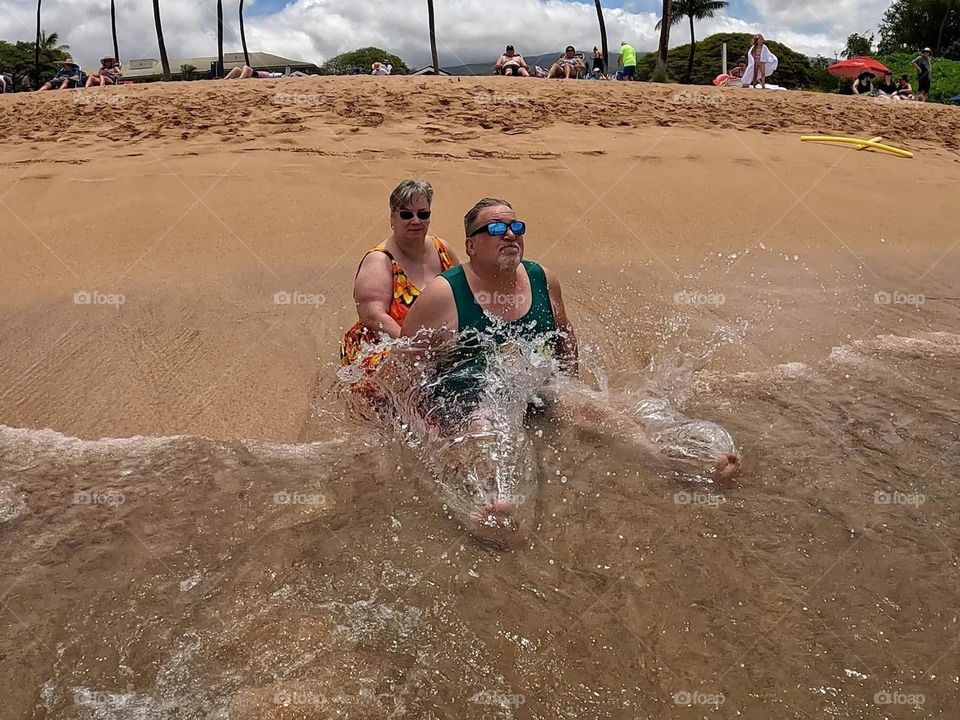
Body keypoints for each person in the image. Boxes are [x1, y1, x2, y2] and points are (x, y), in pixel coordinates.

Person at [401, 199, 740, 510]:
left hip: (535, 385)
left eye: (516, 227)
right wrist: (425, 423)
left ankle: (670, 463)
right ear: (471, 245)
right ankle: (489, 507)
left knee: (602, 416)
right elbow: (402, 363)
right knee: (487, 438)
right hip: (473, 397)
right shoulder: (444, 293)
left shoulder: (541, 278)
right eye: (495, 228)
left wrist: (571, 388)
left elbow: (565, 335)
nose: (509, 235)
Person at [340, 179, 461, 368]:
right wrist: (414, 349)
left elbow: (462, 293)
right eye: (406, 215)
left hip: (434, 348)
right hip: (383, 347)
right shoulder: (380, 260)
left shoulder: (442, 249)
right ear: (392, 219)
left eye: (422, 214)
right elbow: (373, 316)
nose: (415, 221)